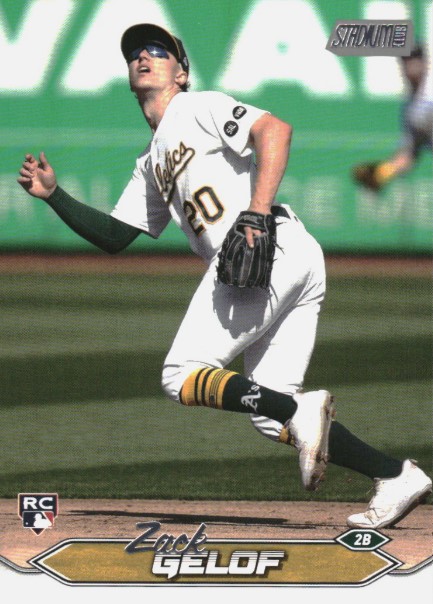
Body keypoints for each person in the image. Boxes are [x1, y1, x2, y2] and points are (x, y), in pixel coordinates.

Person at [17, 23, 431, 528]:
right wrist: (53, 195)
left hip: (264, 246)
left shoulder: (198, 107)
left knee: (180, 374)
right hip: (288, 257)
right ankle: (394, 475)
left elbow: (275, 131)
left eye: (159, 50)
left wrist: (256, 213)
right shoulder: (150, 162)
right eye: (136, 53)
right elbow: (115, 236)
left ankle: (304, 413)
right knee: (270, 412)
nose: (144, 56)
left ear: (181, 72)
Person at [353, 43, 432, 191]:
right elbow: (410, 152)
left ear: (424, 62)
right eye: (406, 60)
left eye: (415, 58)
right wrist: (384, 171)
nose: (410, 64)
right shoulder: (410, 107)